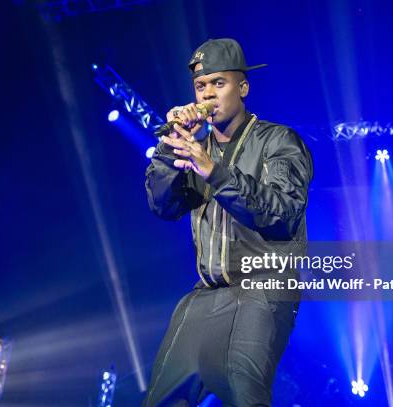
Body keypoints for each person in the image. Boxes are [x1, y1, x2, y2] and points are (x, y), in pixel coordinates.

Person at [143, 38, 313, 407]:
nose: (208, 95)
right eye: (201, 86)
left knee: (244, 391)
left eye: (219, 83)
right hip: (206, 293)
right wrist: (170, 146)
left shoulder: (278, 140)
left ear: (243, 87)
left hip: (263, 288)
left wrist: (214, 172)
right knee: (161, 397)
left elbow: (281, 215)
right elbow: (162, 205)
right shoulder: (194, 146)